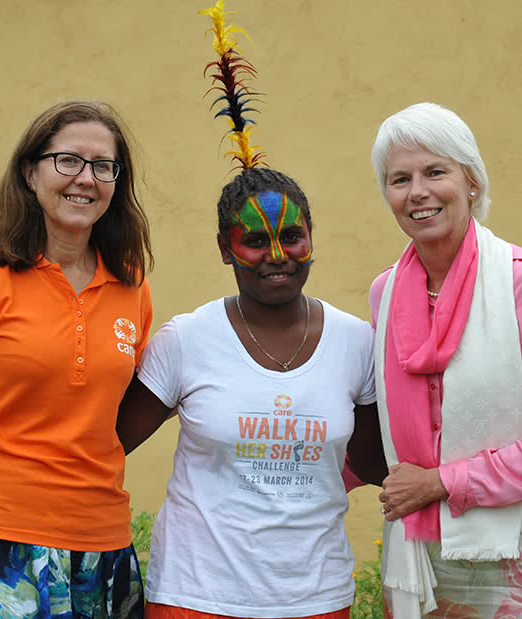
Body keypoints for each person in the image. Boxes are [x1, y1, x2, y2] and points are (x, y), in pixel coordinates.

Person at [0, 101, 153, 619]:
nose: (86, 179)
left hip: (100, 548)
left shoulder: (134, 289)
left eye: (103, 166)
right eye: (68, 161)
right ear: (29, 171)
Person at [358, 102, 522, 619]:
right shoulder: (385, 294)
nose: (416, 191)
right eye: (399, 179)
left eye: (434, 171)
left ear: (472, 184)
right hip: (422, 559)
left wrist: (439, 481)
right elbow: (375, 426)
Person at [116, 168, 378, 619]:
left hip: (315, 598)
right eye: (255, 241)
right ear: (224, 248)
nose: (278, 256)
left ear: (311, 237)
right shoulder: (187, 340)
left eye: (292, 236)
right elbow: (104, 444)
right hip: (195, 597)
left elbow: (379, 463)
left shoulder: (357, 343)